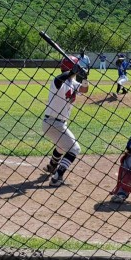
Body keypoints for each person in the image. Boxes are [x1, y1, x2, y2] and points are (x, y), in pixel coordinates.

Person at [42, 55, 89, 187]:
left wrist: (85, 78)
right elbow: (59, 80)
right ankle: (57, 178)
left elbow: (84, 89)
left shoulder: (72, 83)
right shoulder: (58, 80)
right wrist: (73, 72)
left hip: (57, 123)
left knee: (62, 147)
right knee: (74, 149)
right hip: (53, 122)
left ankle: (52, 166)